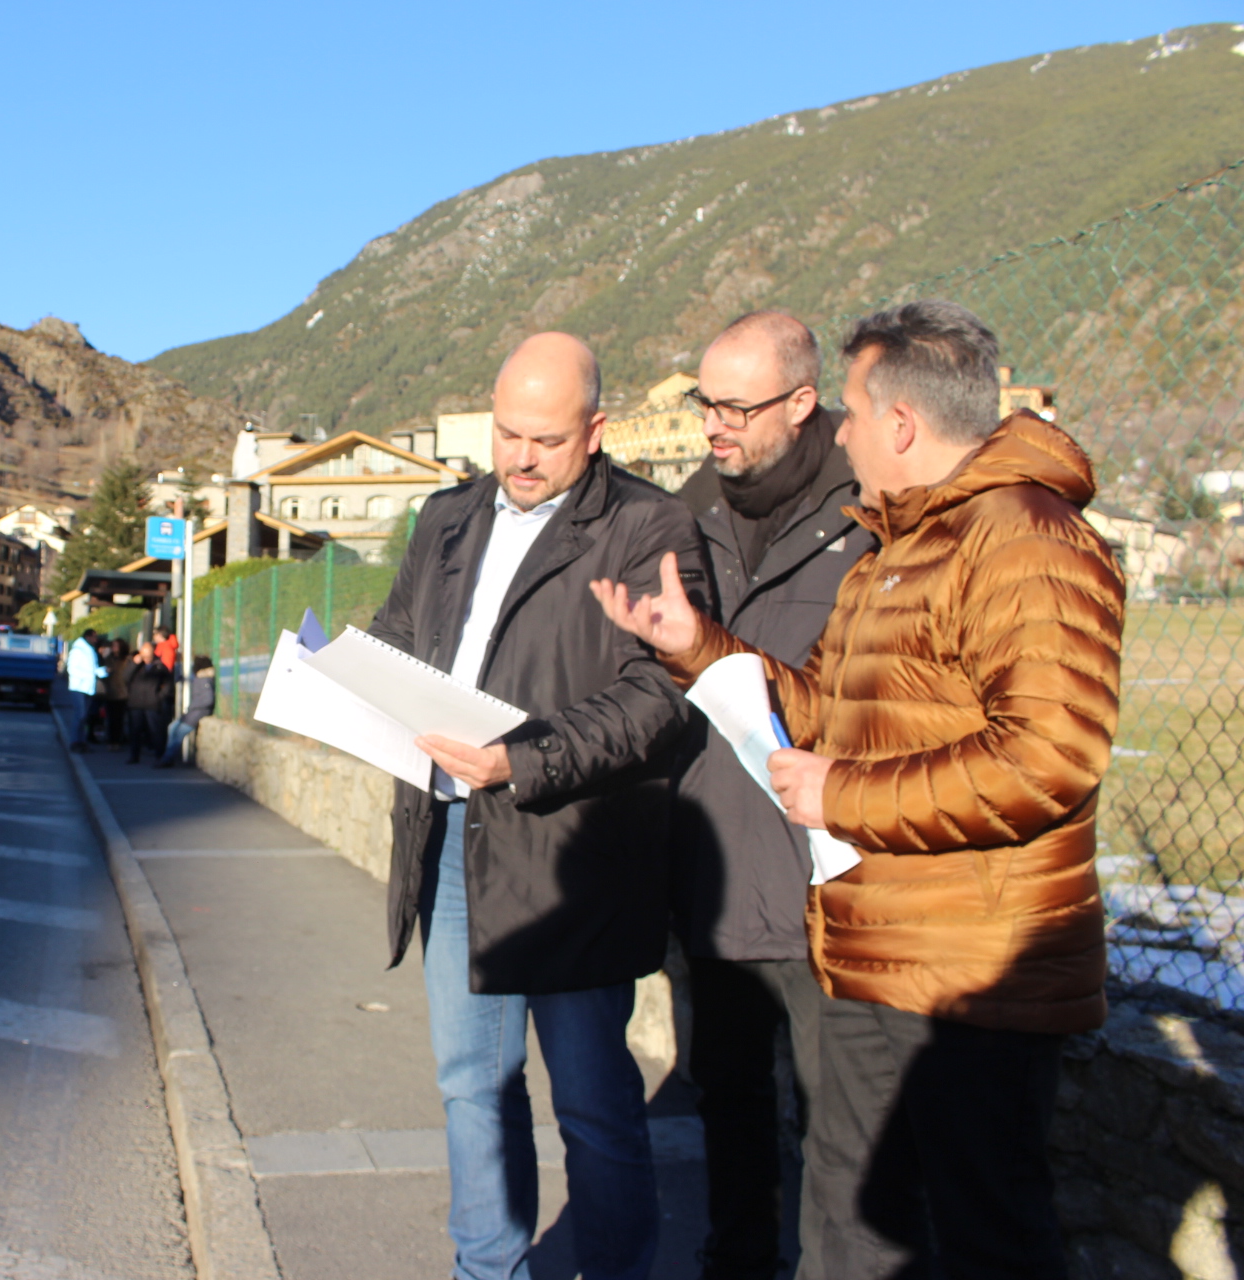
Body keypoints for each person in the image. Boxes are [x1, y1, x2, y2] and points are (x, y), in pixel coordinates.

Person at [594, 300, 1123, 1280]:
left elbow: (1049, 756)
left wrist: (846, 795)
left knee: (988, 1231)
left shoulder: (1029, 541)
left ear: (902, 424)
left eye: (847, 409)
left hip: (979, 967)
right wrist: (697, 647)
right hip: (875, 947)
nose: (839, 432)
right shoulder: (900, 549)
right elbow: (820, 705)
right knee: (853, 1211)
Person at [368, 331, 708, 1280]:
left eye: (545, 441)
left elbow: (657, 699)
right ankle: (489, 1271)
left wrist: (519, 762)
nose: (518, 458)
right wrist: (353, 682)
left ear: (595, 431)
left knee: (596, 1106)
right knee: (471, 1086)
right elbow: (400, 635)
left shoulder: (650, 529)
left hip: (575, 861)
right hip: (448, 843)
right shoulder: (445, 517)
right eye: (506, 433)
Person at [668, 312, 876, 1280]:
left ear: (802, 403)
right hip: (714, 866)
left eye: (736, 406)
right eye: (704, 400)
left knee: (844, 1135)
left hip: (833, 881)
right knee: (730, 1105)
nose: (714, 424)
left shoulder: (873, 506)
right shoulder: (689, 507)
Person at [154, 654, 215, 768]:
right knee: (172, 728)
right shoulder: (198, 678)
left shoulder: (205, 680)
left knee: (178, 735)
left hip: (196, 713)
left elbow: (208, 700)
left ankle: (167, 759)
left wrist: (193, 706)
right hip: (190, 713)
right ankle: (168, 756)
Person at [123, 640, 171, 764]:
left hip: (152, 702)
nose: (145, 657)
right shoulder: (135, 664)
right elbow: (125, 677)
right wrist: (134, 663)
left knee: (156, 730)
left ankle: (159, 755)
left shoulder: (159, 665)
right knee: (135, 731)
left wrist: (159, 696)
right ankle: (134, 756)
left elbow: (168, 683)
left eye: (147, 653)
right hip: (136, 703)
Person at [64, 628, 102, 752]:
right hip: (78, 687)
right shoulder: (79, 650)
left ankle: (81, 741)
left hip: (86, 687)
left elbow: (92, 669)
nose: (96, 640)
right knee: (79, 715)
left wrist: (102, 672)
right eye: (94, 637)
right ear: (88, 637)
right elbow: (72, 669)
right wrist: (90, 675)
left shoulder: (88, 650)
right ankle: (75, 741)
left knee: (83, 716)